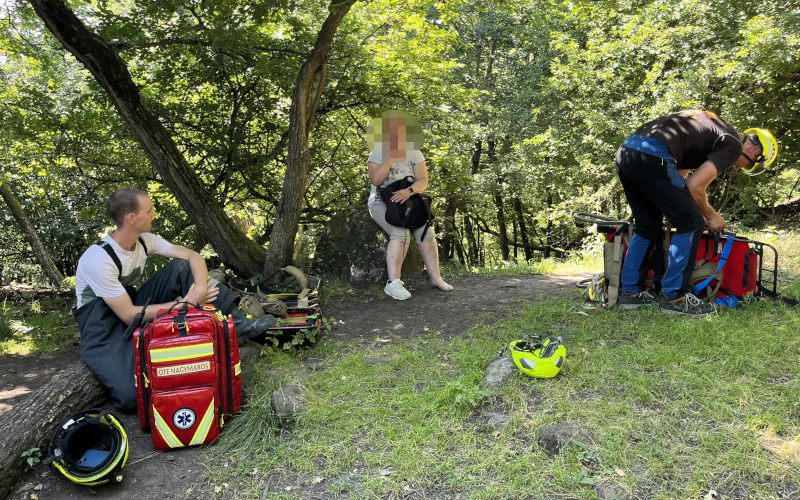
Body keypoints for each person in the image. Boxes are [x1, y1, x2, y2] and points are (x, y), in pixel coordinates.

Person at [73, 188, 276, 411]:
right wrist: (185, 304)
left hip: (130, 304)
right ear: (131, 218)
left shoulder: (144, 240)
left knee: (180, 267)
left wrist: (199, 289)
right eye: (149, 211)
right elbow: (128, 314)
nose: (154, 214)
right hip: (102, 328)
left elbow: (192, 256)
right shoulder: (98, 260)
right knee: (132, 396)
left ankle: (237, 325)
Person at [615, 110, 777, 316]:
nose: (740, 168)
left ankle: (630, 294)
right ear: (753, 149)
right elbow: (694, 187)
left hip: (628, 152)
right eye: (751, 164)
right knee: (691, 225)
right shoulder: (733, 144)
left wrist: (692, 208)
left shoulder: (712, 131)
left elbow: (680, 180)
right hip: (654, 155)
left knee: (648, 225)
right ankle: (674, 298)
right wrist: (709, 215)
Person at [366, 110, 454, 300]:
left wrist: (409, 191)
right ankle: (393, 283)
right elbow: (375, 180)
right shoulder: (377, 153)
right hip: (382, 202)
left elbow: (423, 180)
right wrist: (388, 159)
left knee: (426, 231)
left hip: (407, 199)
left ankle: (436, 278)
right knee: (400, 232)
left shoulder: (414, 152)